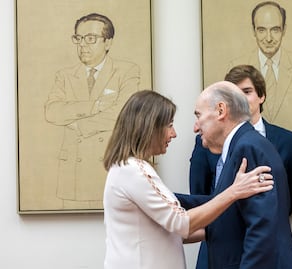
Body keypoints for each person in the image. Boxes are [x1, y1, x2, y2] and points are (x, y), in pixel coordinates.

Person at [102, 90, 274, 269]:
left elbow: (172, 232)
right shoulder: (132, 170)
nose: (173, 134)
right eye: (169, 125)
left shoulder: (128, 169)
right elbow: (180, 222)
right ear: (149, 126)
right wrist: (234, 191)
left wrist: (229, 226)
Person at [189, 64, 292, 269]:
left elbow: (261, 228)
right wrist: (163, 197)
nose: (196, 126)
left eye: (198, 115)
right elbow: (220, 201)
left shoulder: (247, 148)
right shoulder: (245, 143)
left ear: (221, 110)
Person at [229, 2, 292, 202]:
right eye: (262, 30)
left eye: (275, 29)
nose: (269, 38)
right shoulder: (236, 64)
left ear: (284, 30)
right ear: (254, 31)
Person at [44, 13, 140, 209]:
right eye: (78, 39)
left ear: (108, 42)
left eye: (90, 38)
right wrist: (95, 105)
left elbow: (122, 114)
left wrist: (79, 124)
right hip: (72, 170)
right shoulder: (64, 75)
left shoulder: (127, 71)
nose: (82, 45)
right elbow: (52, 112)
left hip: (107, 166)